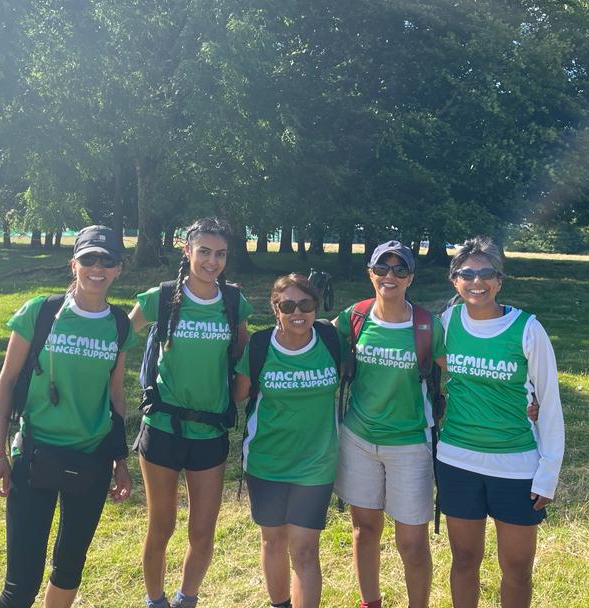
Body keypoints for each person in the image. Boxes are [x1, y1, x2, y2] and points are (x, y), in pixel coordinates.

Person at [0, 225, 136, 608]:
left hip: (93, 459)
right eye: (89, 259)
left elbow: (116, 394)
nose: (97, 268)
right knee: (21, 583)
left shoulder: (119, 324)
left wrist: (121, 460)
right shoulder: (42, 312)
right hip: (35, 456)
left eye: (108, 261)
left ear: (119, 269)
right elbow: (7, 381)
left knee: (69, 568)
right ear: (74, 264)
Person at [128, 218, 253, 608]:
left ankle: (187, 599)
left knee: (202, 532)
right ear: (187, 250)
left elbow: (245, 357)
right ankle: (155, 601)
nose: (212, 262)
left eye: (220, 254)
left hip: (210, 433)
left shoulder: (234, 303)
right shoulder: (160, 298)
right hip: (162, 427)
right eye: (204, 252)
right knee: (160, 526)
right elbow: (116, 337)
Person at [436, 236, 564, 608]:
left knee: (518, 567)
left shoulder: (528, 329)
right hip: (457, 462)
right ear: (454, 281)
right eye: (467, 274)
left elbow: (550, 404)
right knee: (463, 560)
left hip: (517, 465)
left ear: (500, 280)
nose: (477, 282)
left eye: (487, 273)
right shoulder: (447, 322)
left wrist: (548, 472)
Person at [333, 241, 446, 608]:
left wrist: (522, 401)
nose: (389, 276)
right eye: (382, 269)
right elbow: (311, 344)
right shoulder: (355, 317)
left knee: (412, 542)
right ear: (371, 273)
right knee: (364, 529)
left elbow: (459, 377)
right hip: (358, 439)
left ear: (410, 277)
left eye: (399, 270)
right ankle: (370, 602)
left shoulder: (428, 325)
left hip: (411, 443)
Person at [232, 274, 341, 608]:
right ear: (275, 309)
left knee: (306, 549)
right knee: (273, 542)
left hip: (317, 463)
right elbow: (237, 396)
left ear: (315, 307)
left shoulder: (330, 339)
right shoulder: (260, 346)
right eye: (288, 305)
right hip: (267, 461)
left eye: (305, 304)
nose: (298, 312)